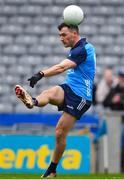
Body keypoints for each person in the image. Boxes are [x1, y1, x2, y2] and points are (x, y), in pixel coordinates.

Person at [15, 22, 96, 178]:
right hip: (69, 88)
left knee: (59, 132)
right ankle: (33, 101)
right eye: (59, 35)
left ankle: (52, 169)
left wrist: (40, 74)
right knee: (49, 92)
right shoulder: (78, 49)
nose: (61, 38)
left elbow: (61, 68)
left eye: (63, 35)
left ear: (74, 33)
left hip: (81, 97)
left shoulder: (84, 49)